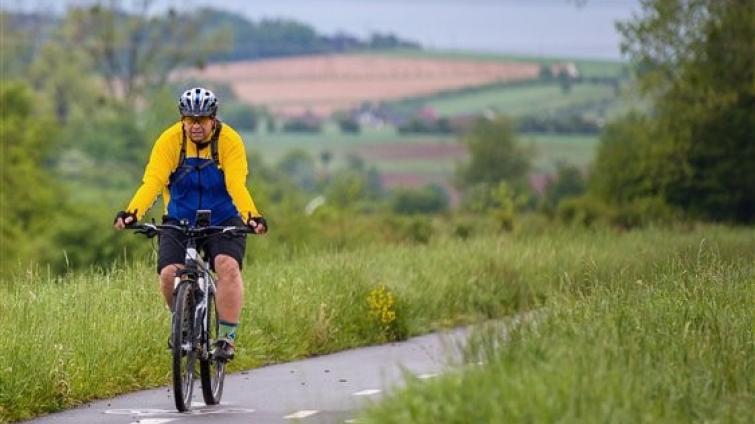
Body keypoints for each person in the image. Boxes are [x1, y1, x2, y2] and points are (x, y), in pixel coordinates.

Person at [113, 87, 266, 361]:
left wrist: (251, 216)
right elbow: (154, 182)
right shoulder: (170, 141)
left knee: (227, 267)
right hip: (180, 217)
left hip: (222, 217)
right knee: (169, 275)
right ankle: (184, 321)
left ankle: (226, 338)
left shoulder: (229, 141)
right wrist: (132, 213)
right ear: (182, 118)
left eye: (202, 119)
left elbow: (235, 185)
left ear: (213, 119)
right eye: (189, 119)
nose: (195, 126)